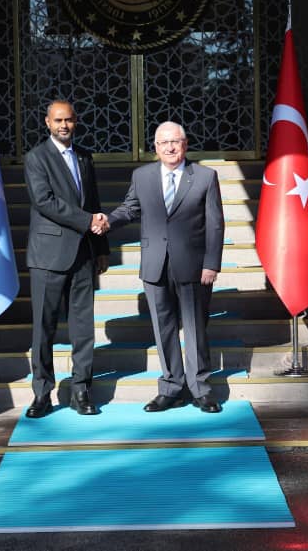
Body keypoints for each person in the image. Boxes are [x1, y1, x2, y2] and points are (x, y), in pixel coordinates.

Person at [100, 121, 225, 413]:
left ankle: (201, 389)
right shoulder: (142, 176)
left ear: (185, 144)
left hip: (193, 266)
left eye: (175, 141)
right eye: (163, 143)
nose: (169, 147)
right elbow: (130, 208)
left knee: (195, 329)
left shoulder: (205, 176)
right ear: (155, 147)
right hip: (155, 265)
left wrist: (211, 264)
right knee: (163, 328)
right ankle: (171, 388)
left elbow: (215, 224)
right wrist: (107, 222)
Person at [23, 100, 109, 418]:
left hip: (84, 254)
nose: (64, 125)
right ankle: (42, 393)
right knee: (43, 328)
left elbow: (94, 201)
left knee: (83, 327)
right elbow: (44, 201)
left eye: (69, 120)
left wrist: (102, 248)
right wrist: (87, 221)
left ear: (76, 121)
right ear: (47, 122)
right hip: (48, 256)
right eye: (58, 120)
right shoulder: (36, 157)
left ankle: (81, 390)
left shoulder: (84, 156)